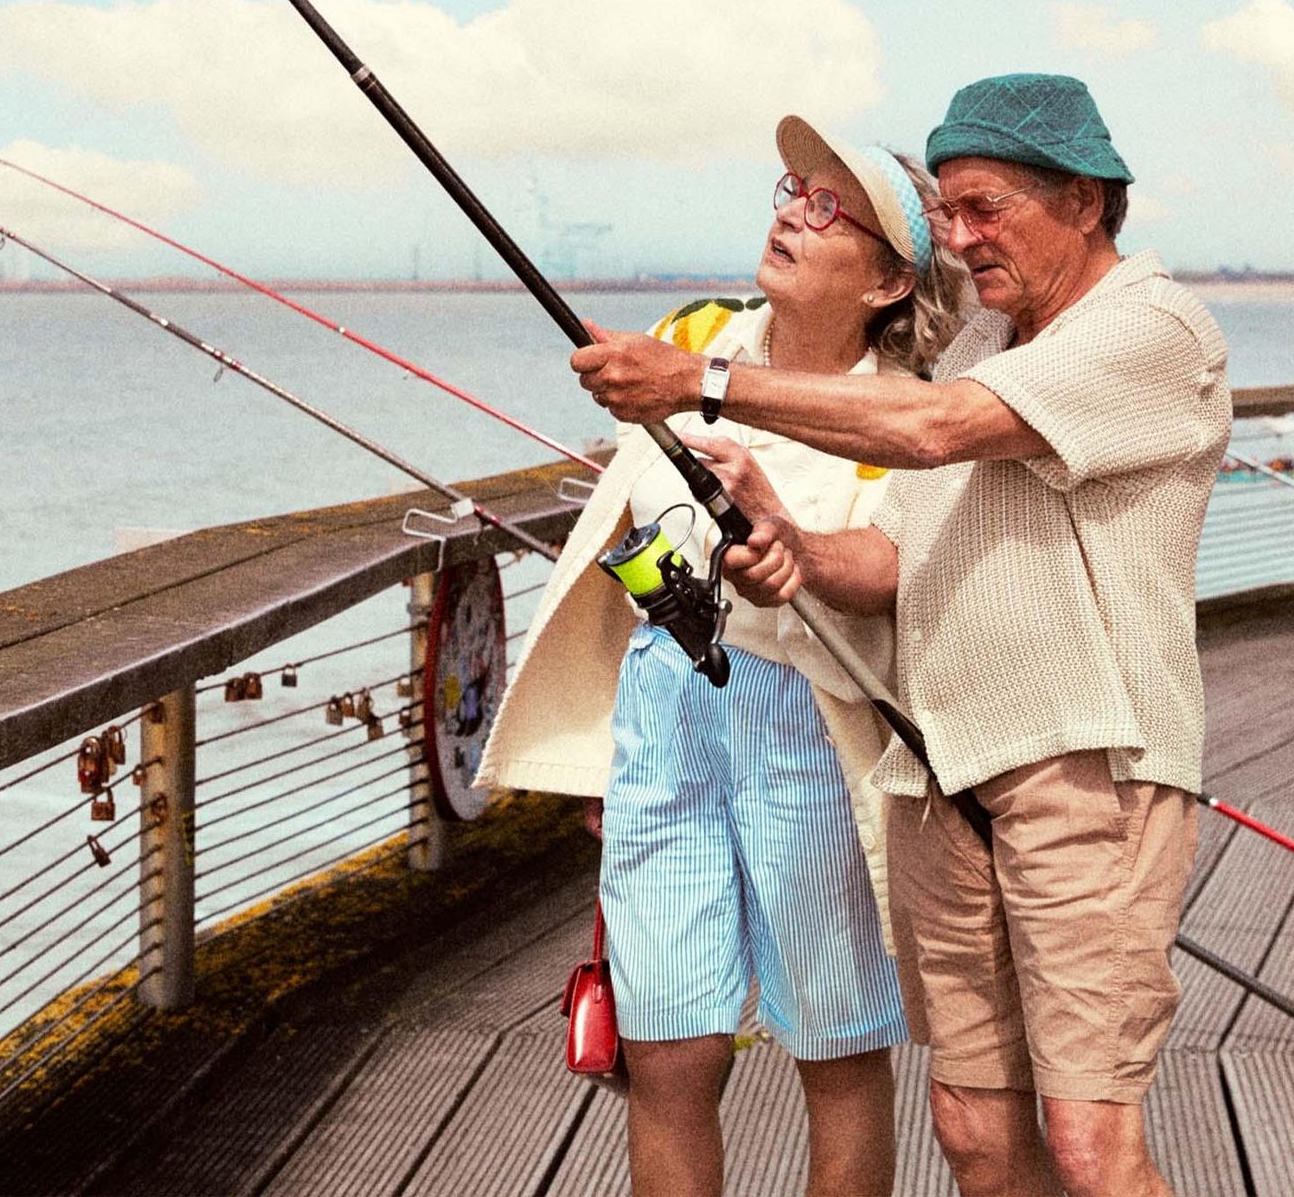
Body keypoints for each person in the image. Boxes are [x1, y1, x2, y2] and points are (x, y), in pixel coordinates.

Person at [570, 74, 1231, 1197]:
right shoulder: (988, 340)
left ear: (1083, 199)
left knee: (1088, 1141)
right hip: (939, 773)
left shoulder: (1150, 325)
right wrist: (790, 542)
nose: (960, 239)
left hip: (1084, 773)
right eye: (951, 213)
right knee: (973, 1130)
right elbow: (889, 561)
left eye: (983, 209)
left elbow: (935, 429)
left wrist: (698, 379)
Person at [477, 116, 967, 1197]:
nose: (793, 208)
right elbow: (635, 503)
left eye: (830, 205)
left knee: (833, 1046)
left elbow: (887, 564)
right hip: (667, 699)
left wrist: (795, 549)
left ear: (889, 283)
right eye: (792, 186)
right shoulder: (693, 331)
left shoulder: (909, 409)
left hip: (808, 717)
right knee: (666, 1046)